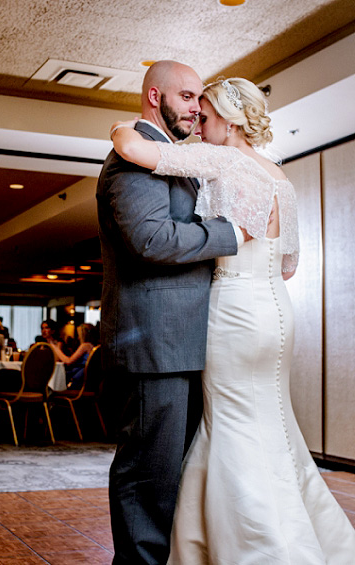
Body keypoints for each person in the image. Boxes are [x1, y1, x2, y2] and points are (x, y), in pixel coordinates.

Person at [110, 77, 355, 564]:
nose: (197, 124)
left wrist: (120, 125)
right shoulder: (279, 176)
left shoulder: (225, 160)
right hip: (274, 312)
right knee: (271, 422)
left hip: (232, 311)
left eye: (204, 114)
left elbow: (131, 146)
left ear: (229, 121)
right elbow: (289, 263)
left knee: (232, 425)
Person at [97, 60, 246, 565]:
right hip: (151, 346)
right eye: (187, 97)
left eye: (199, 99)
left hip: (180, 345)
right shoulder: (132, 158)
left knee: (172, 480)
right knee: (147, 481)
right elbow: (151, 239)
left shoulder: (168, 159)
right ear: (155, 97)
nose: (195, 108)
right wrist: (229, 236)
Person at [50, 323, 97, 389]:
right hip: (86, 378)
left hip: (80, 379)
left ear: (84, 335)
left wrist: (56, 348)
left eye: (79, 335)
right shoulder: (93, 346)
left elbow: (68, 361)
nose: (78, 338)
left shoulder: (85, 346)